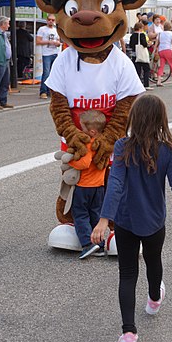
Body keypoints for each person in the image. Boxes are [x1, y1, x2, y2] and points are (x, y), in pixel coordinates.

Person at [91, 94, 172, 342]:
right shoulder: (168, 152)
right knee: (153, 261)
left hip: (126, 221)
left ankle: (128, 334)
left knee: (127, 274)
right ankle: (153, 300)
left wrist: (104, 220)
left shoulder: (122, 147)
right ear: (162, 120)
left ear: (134, 119)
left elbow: (115, 185)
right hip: (154, 223)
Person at [68, 110, 107, 259]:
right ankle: (100, 244)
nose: (81, 130)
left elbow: (84, 163)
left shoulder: (89, 144)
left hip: (84, 186)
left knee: (80, 214)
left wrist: (70, 161)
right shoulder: (104, 143)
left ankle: (87, 243)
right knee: (95, 215)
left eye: (82, 127)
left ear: (91, 131)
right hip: (99, 186)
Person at [36, 14, 60, 99]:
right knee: (46, 72)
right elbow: (38, 41)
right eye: (49, 19)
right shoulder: (42, 29)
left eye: (53, 20)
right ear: (47, 20)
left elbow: (58, 40)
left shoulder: (56, 30)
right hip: (46, 53)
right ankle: (43, 91)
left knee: (54, 73)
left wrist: (57, 43)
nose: (51, 21)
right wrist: (49, 42)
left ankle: (51, 91)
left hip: (55, 52)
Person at [155, 21, 172, 86]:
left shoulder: (160, 34)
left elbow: (157, 43)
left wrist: (155, 50)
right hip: (168, 50)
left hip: (161, 50)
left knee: (161, 66)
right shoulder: (171, 34)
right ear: (170, 27)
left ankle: (159, 80)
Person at [129, 22, 153, 90]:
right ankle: (146, 85)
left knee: (137, 71)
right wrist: (149, 44)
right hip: (142, 55)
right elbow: (144, 44)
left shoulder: (132, 35)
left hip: (135, 54)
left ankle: (137, 85)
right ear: (140, 28)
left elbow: (131, 45)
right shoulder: (141, 35)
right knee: (146, 69)